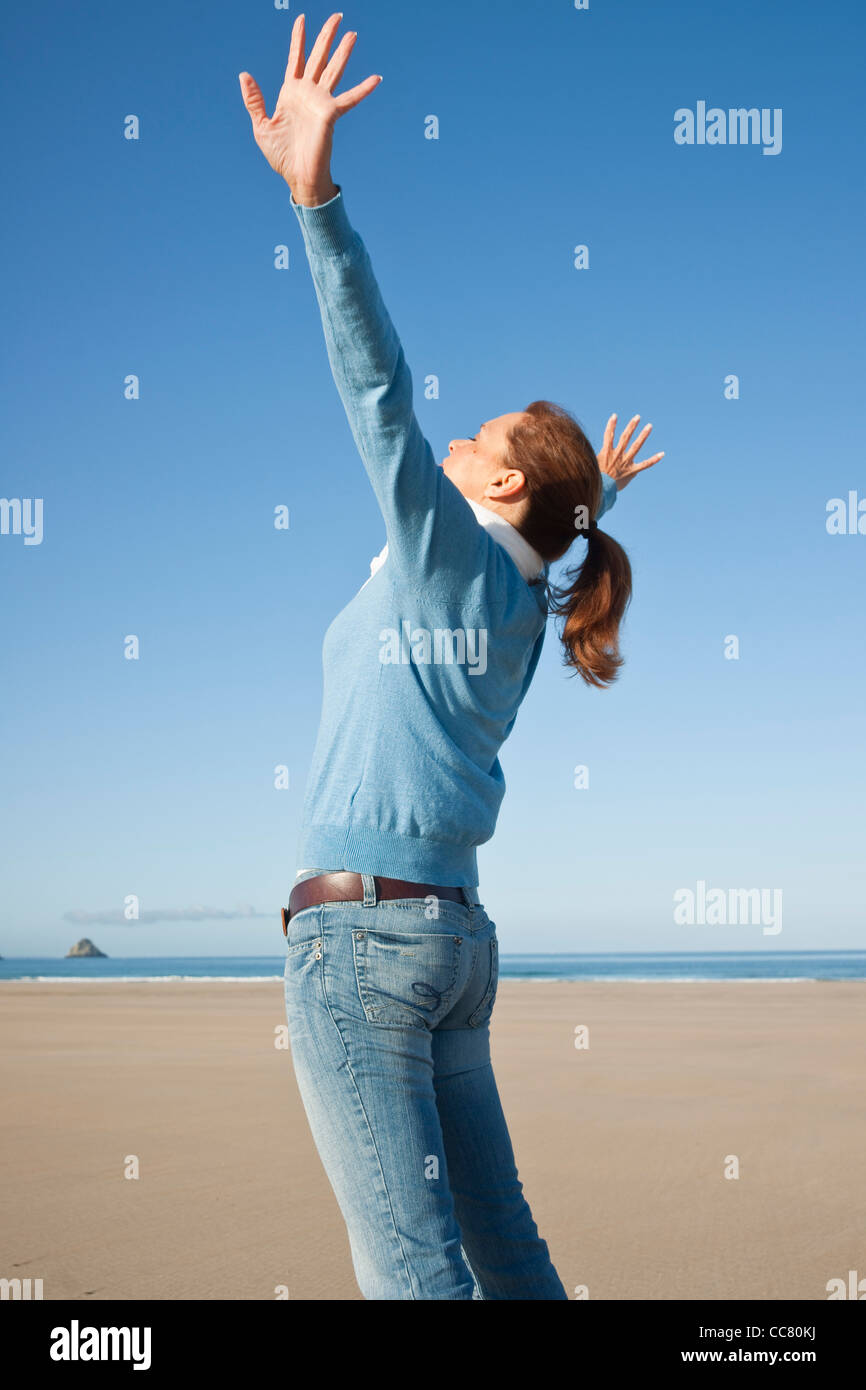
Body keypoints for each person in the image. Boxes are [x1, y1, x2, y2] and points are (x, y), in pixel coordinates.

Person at [240, 12, 663, 1301]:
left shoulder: (456, 558)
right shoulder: (533, 599)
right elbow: (548, 543)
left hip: (366, 942)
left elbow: (378, 397)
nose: (454, 438)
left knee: (416, 1271)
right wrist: (594, 502)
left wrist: (315, 202)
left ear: (489, 479)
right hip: (455, 947)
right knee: (504, 1247)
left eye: (478, 435)